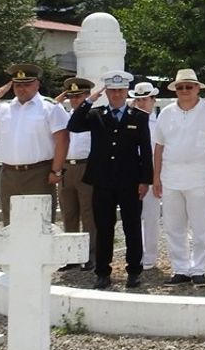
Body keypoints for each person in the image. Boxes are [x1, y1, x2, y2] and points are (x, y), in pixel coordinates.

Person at [66, 71, 153, 289]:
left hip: (130, 181)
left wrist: (145, 181)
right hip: (102, 181)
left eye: (120, 90)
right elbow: (74, 125)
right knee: (104, 227)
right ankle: (102, 272)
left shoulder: (139, 116)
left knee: (132, 227)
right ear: (107, 92)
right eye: (112, 91)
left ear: (126, 92)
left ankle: (134, 271)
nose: (116, 95)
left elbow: (146, 151)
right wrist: (89, 100)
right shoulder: (96, 114)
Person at [152, 69, 205, 287]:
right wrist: (156, 176)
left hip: (200, 178)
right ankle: (180, 269)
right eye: (180, 87)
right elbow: (159, 147)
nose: (184, 90)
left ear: (197, 88)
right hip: (171, 177)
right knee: (173, 227)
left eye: (189, 86)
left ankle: (199, 269)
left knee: (201, 226)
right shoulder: (166, 113)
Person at [0, 63, 70, 225]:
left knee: (40, 224)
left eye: (27, 84)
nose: (22, 88)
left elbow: (62, 139)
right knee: (11, 225)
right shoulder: (4, 108)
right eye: (18, 85)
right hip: (9, 174)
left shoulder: (50, 107)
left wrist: (56, 171)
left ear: (37, 84)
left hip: (39, 173)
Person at [56, 77, 96, 271]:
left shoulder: (93, 115)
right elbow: (47, 110)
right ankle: (71, 256)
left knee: (89, 214)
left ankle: (91, 255)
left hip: (86, 166)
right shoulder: (62, 115)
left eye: (79, 96)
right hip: (66, 168)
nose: (74, 100)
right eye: (71, 96)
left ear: (87, 96)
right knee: (69, 213)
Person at [130, 82, 162, 269]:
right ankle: (135, 253)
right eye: (139, 99)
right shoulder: (129, 120)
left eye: (145, 99)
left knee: (150, 216)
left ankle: (149, 256)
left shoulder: (158, 123)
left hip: (151, 172)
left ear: (153, 100)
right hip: (132, 173)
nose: (142, 103)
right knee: (133, 216)